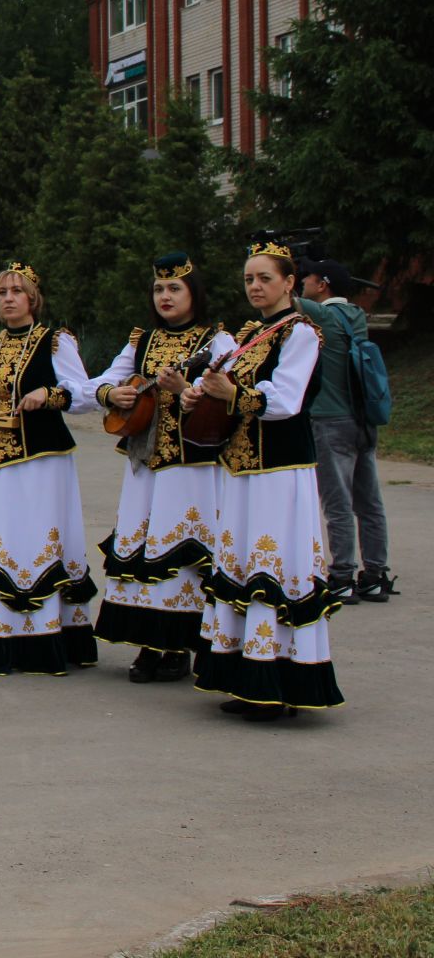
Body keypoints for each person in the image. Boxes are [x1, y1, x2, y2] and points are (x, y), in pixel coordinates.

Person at [182, 244, 343, 720]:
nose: (255, 286)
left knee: (275, 568)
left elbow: (287, 399)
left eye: (265, 278)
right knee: (243, 565)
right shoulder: (249, 334)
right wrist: (199, 395)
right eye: (249, 278)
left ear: (290, 282)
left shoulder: (303, 334)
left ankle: (283, 682)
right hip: (242, 468)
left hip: (280, 468)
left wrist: (233, 393)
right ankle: (246, 677)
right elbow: (221, 382)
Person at [88, 254, 234, 683]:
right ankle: (149, 642)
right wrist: (112, 395)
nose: (165, 297)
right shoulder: (142, 341)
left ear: (194, 293)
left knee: (183, 552)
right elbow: (99, 383)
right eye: (158, 289)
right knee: (142, 551)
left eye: (175, 289)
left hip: (192, 464)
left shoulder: (218, 341)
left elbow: (228, 401)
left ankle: (180, 646)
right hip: (146, 463)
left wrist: (185, 388)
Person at [0, 263, 98, 675]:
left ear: (33, 298)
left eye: (17, 291)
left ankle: (40, 633)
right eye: (2, 293)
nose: (9, 298)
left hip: (39, 457)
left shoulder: (54, 342)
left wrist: (47, 394)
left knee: (33, 536)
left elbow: (84, 394)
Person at [297, 258, 393, 604]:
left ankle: (341, 577)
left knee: (337, 504)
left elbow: (279, 294)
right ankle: (375, 575)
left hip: (330, 421)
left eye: (305, 278)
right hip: (363, 420)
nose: (301, 283)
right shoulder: (356, 316)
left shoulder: (321, 315)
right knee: (369, 502)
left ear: (322, 284)